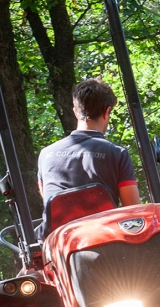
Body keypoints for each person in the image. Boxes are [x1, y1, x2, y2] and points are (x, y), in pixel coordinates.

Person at [36, 78, 140, 238]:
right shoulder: (117, 154)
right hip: (105, 241)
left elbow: (49, 199)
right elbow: (133, 211)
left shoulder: (46, 154)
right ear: (107, 112)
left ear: (76, 111)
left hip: (57, 246)